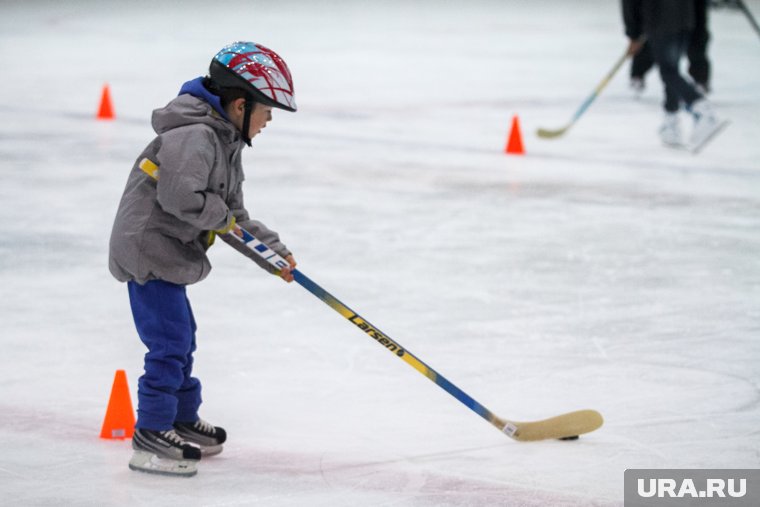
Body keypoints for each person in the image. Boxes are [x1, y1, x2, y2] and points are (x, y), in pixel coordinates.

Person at [108, 41, 298, 477]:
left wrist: (273, 255)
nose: (268, 122)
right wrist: (223, 217)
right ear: (238, 105)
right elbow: (182, 198)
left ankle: (180, 418)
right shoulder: (195, 137)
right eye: (266, 111)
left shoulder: (225, 141)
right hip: (149, 249)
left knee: (183, 338)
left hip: (170, 250)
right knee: (170, 342)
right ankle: (152, 431)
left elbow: (234, 217)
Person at [622, 0, 721, 147]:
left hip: (660, 21)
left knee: (668, 72)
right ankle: (671, 121)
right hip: (685, 21)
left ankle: (702, 109)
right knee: (671, 70)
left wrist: (633, 34)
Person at [629, 0, 711, 96]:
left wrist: (633, 33)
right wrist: (633, 33)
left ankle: (693, 98)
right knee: (668, 67)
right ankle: (672, 104)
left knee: (668, 70)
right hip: (669, 21)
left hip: (672, 23)